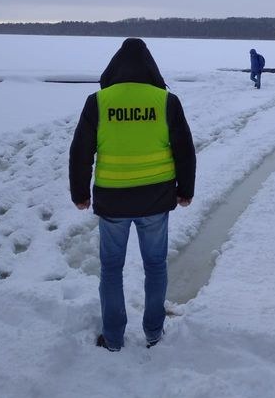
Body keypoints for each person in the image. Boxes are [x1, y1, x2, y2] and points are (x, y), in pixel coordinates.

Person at [69, 38, 196, 352]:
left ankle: (113, 339)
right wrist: (185, 189)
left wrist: (79, 192)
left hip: (113, 202)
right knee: (155, 266)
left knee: (111, 269)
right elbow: (184, 150)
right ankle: (154, 333)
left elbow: (81, 152)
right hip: (155, 201)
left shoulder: (98, 101)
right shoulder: (166, 100)